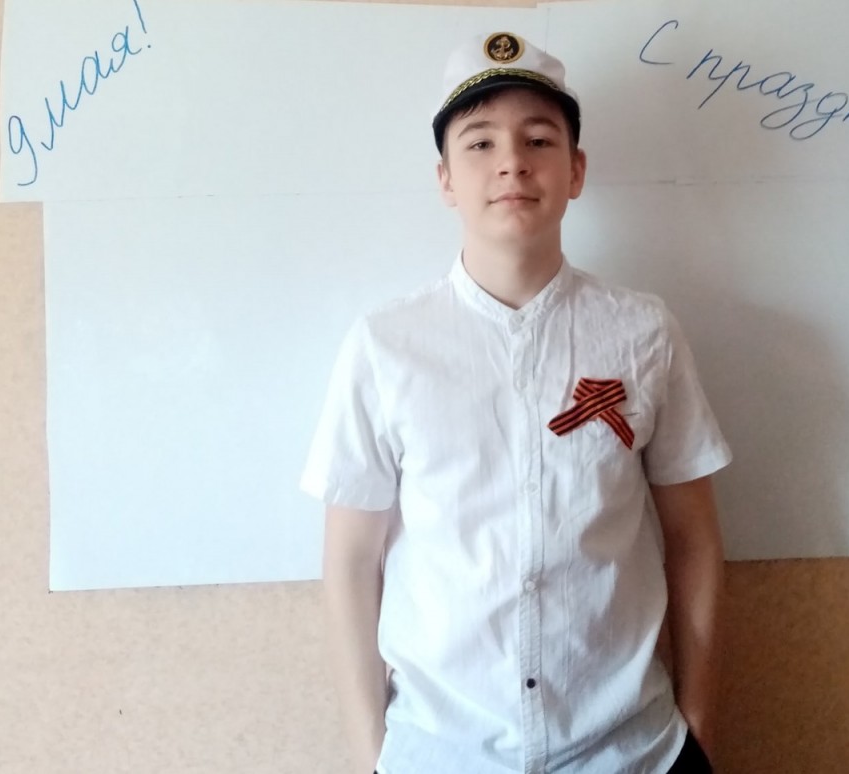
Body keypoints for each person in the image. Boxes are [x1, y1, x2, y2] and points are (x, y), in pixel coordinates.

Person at [301, 31, 732, 774]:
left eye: (538, 139)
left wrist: (698, 728)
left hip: (632, 752)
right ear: (445, 178)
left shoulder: (643, 333)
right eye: (480, 143)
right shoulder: (386, 346)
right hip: (441, 754)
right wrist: (373, 753)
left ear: (576, 170)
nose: (511, 162)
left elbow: (693, 538)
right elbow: (350, 561)